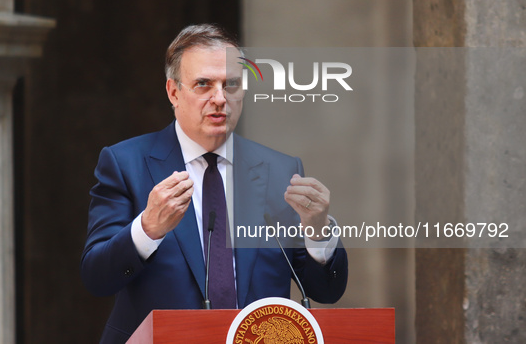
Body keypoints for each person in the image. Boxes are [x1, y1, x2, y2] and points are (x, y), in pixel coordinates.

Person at [81, 24, 348, 343]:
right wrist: (147, 228)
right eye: (203, 84)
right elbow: (97, 278)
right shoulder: (126, 163)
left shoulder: (281, 171)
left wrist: (318, 233)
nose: (220, 98)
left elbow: (325, 291)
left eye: (231, 84)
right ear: (174, 92)